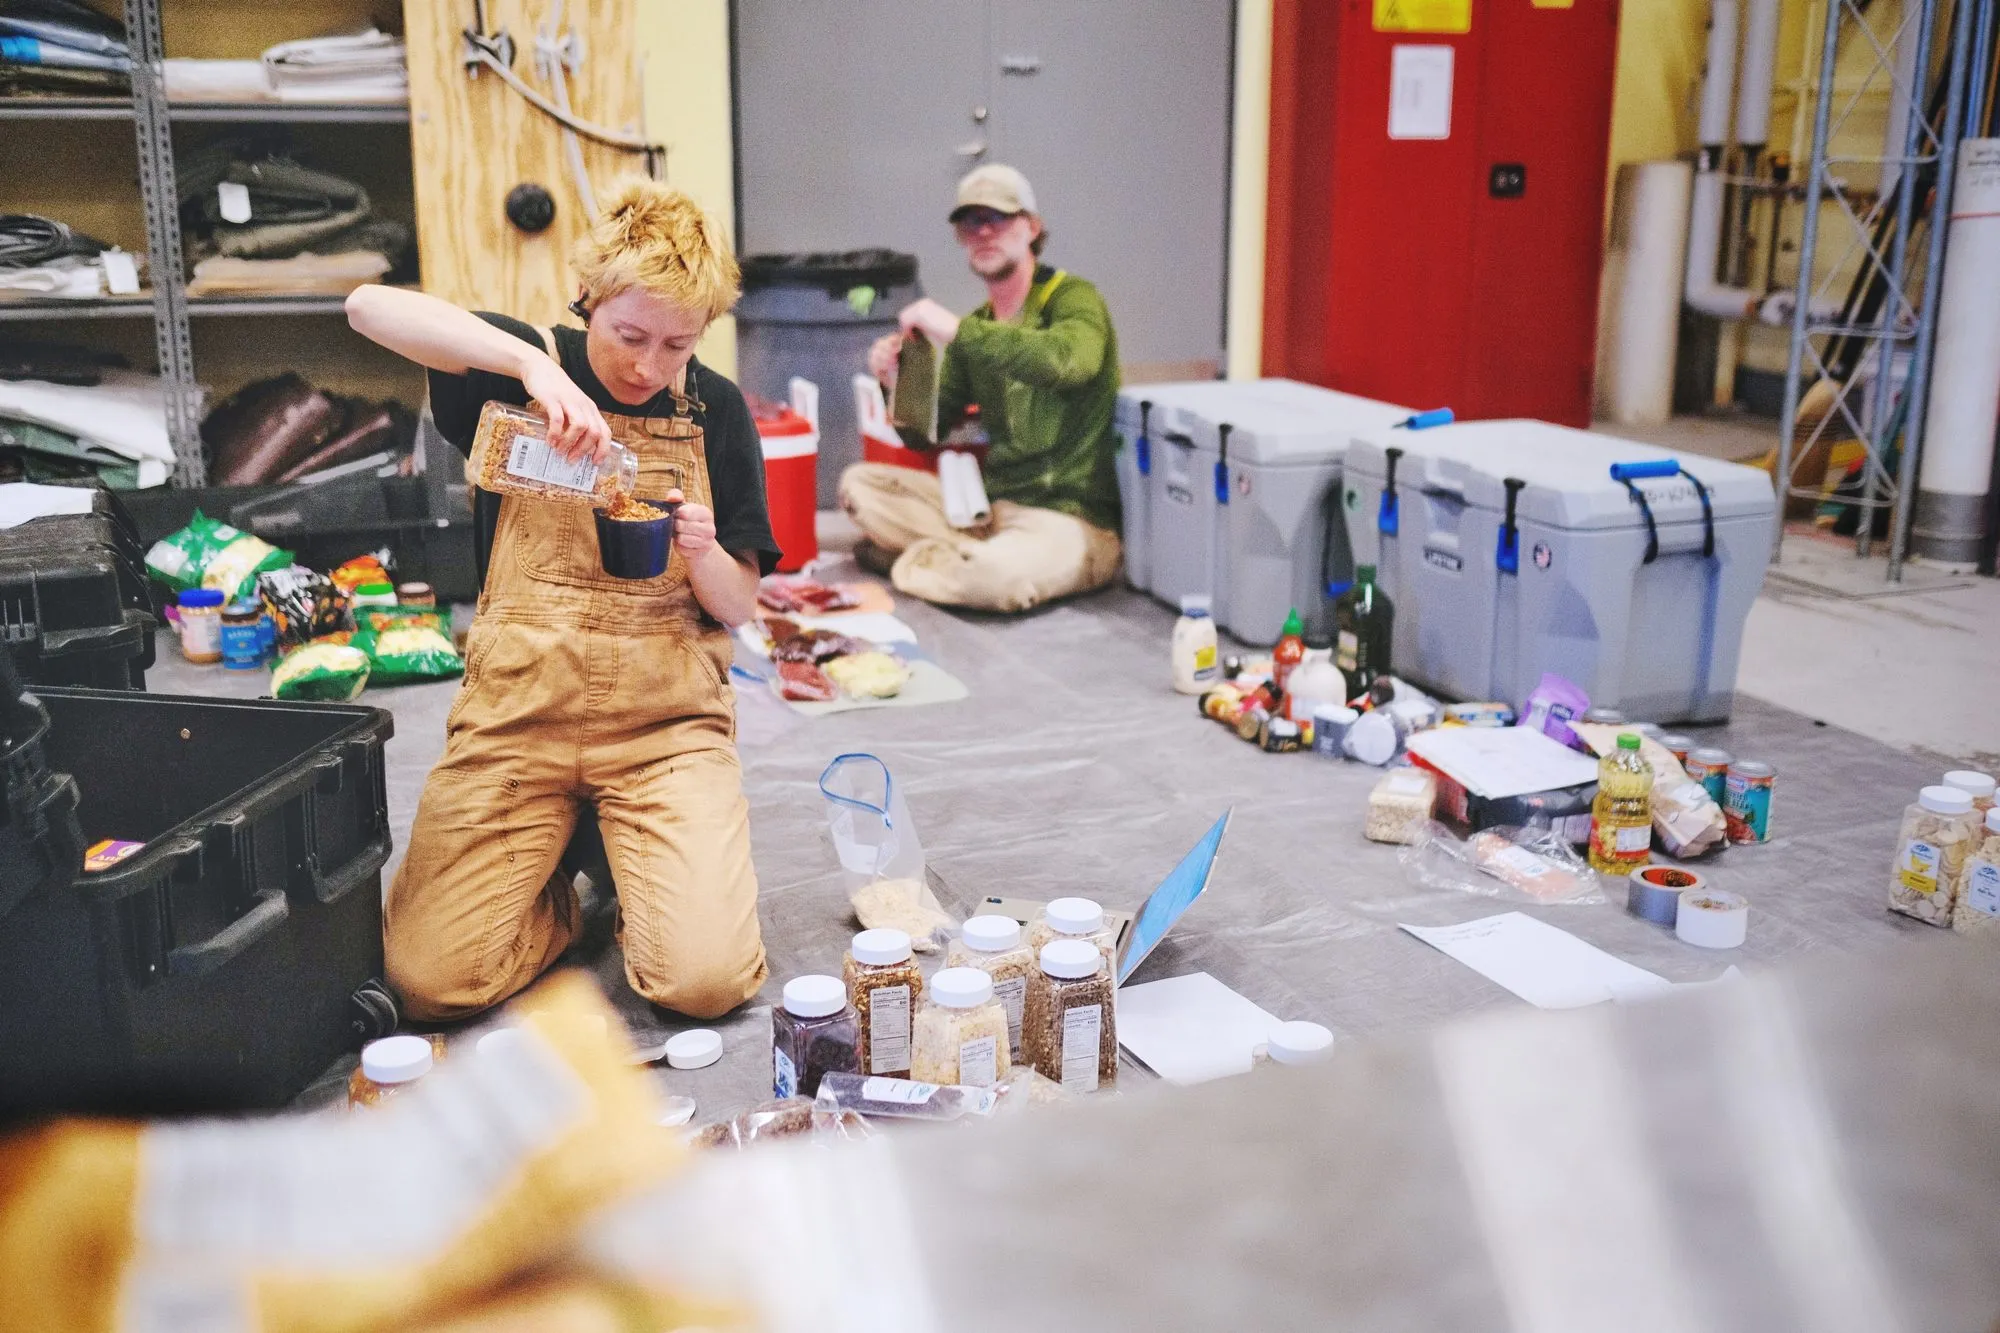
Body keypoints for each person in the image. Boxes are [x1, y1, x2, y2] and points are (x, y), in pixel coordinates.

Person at [344, 179, 777, 1022]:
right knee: (429, 980)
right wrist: (532, 366)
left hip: (664, 728)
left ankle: (630, 857)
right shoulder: (518, 365)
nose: (649, 365)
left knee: (706, 982)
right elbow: (365, 306)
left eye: (677, 343)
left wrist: (702, 550)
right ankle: (568, 883)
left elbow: (741, 606)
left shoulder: (715, 411)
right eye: (629, 335)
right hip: (517, 717)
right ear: (590, 300)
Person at [844, 164, 1123, 613]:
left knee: (996, 579)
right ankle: (960, 557)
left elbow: (1068, 362)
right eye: (971, 222)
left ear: (1032, 227)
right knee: (859, 486)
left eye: (999, 218)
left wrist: (955, 330)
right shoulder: (976, 327)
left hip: (1068, 520)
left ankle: (918, 561)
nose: (984, 232)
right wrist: (896, 383)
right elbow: (926, 435)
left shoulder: (1073, 298)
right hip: (985, 514)